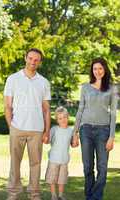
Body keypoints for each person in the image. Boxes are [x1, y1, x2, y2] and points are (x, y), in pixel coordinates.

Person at [4, 48, 51, 200]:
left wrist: (47, 131)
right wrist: (11, 126)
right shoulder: (13, 79)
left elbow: (46, 110)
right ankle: (13, 193)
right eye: (30, 58)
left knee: (35, 163)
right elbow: (7, 106)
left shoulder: (44, 82)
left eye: (36, 60)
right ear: (25, 58)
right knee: (14, 163)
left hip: (37, 129)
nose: (32, 62)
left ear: (40, 62)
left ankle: (34, 194)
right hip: (17, 127)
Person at [73, 58, 118, 200]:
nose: (97, 71)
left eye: (100, 68)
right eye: (94, 69)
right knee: (87, 166)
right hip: (85, 130)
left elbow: (113, 114)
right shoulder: (85, 87)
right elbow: (80, 110)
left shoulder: (112, 89)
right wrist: (75, 132)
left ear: (105, 69)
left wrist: (111, 136)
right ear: (92, 71)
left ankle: (96, 197)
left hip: (103, 131)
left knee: (102, 168)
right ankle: (89, 196)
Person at [45, 106, 78, 200]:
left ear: (68, 117)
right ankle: (53, 195)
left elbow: (74, 145)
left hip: (64, 160)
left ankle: (60, 195)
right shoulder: (54, 129)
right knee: (52, 178)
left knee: (62, 179)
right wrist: (45, 136)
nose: (63, 120)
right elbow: (47, 141)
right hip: (54, 159)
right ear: (57, 120)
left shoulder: (71, 130)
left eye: (64, 117)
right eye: (60, 118)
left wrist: (76, 137)